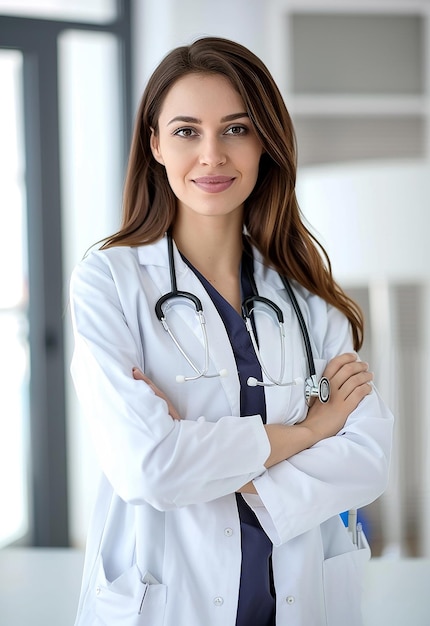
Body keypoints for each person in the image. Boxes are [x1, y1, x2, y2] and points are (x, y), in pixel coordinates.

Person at [69, 36, 393, 626]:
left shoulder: (306, 294)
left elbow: (368, 458)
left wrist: (206, 459)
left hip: (298, 602)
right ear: (156, 145)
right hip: (167, 605)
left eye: (237, 129)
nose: (212, 155)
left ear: (265, 143)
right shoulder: (110, 282)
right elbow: (148, 467)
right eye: (187, 131)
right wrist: (314, 428)